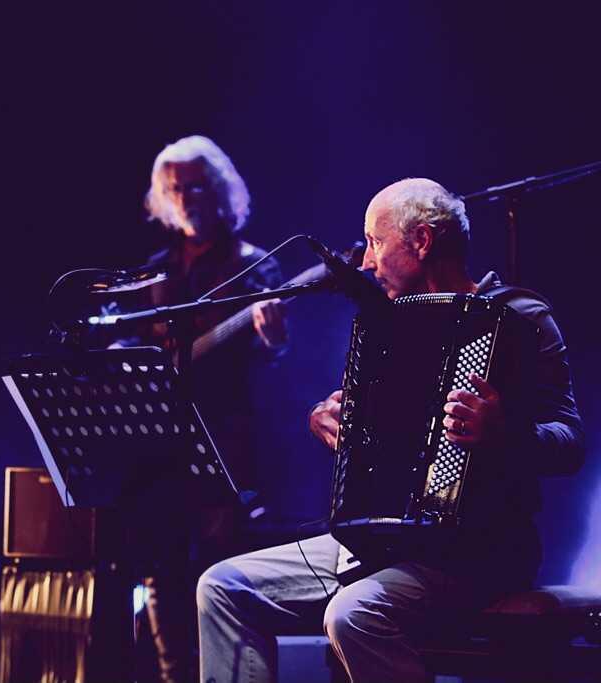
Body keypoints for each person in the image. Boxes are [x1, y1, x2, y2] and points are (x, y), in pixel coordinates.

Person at [195, 177, 585, 683]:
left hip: (478, 550)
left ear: (421, 240)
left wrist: (503, 432)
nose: (366, 262)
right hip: (381, 543)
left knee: (353, 613)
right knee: (223, 586)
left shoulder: (520, 317)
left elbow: (569, 441)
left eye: (375, 242)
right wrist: (326, 416)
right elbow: (369, 429)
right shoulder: (385, 324)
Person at [101, 135, 288, 683]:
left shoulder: (253, 265)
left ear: (220, 191)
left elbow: (271, 364)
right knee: (160, 573)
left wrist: (274, 340)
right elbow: (131, 344)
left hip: (224, 450)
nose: (185, 198)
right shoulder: (156, 271)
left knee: (218, 576)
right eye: (175, 188)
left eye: (196, 187)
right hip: (159, 451)